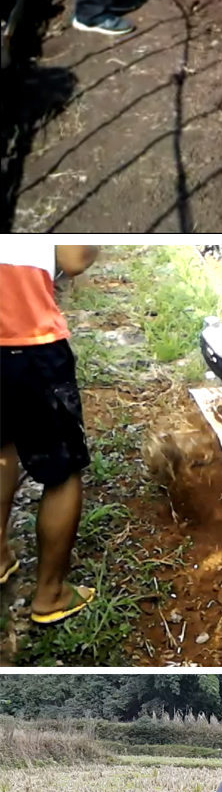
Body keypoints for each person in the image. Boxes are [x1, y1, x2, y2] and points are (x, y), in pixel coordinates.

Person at [0, 242, 99, 626]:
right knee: (62, 473)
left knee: (3, 444)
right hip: (28, 340)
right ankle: (51, 594)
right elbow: (74, 259)